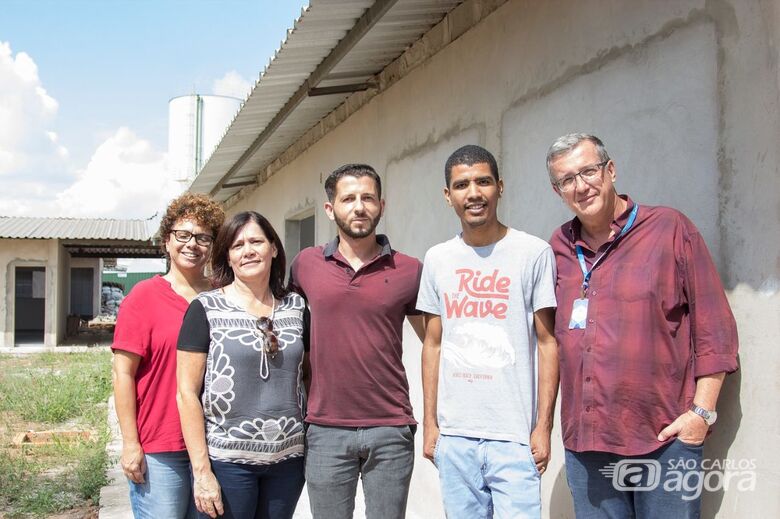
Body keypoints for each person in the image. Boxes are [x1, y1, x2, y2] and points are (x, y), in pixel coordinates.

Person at [546, 133, 739, 517]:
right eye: (567, 180)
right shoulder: (558, 248)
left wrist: (700, 415)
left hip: (664, 440)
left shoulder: (669, 229)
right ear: (558, 191)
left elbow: (714, 330)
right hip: (588, 447)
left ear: (611, 170)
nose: (581, 186)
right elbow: (548, 340)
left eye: (588, 171)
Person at [417, 145, 559, 518]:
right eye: (462, 185)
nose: (474, 193)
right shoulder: (437, 259)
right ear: (448, 196)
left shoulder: (533, 253)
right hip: (456, 438)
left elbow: (547, 343)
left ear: (500, 186)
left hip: (515, 440)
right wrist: (431, 425)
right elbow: (432, 345)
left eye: (483, 181)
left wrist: (543, 427)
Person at [288, 163, 425, 519]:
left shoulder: (409, 270)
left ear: (382, 204)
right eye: (348, 199)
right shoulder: (306, 265)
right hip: (325, 428)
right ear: (330, 208)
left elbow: (434, 344)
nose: (359, 206)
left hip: (390, 427)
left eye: (367, 197)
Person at [177, 211, 307, 519]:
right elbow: (186, 393)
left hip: (288, 463)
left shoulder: (297, 307)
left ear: (273, 248)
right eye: (237, 245)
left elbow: (309, 376)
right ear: (228, 257)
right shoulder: (205, 309)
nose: (248, 250)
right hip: (227, 463)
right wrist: (202, 471)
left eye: (256, 241)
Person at [112, 193, 224, 518]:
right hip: (161, 447)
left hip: (215, 443)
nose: (192, 244)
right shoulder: (143, 298)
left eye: (203, 237)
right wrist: (130, 442)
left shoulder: (223, 296)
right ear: (167, 241)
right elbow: (123, 374)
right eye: (183, 235)